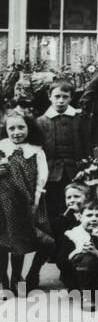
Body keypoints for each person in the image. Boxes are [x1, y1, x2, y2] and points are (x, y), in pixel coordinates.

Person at [0, 109, 50, 292]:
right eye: (11, 128)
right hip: (2, 203)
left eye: (21, 127)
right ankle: (4, 280)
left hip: (24, 203)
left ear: (29, 128)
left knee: (19, 241)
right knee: (2, 243)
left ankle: (16, 278)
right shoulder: (1, 148)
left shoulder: (36, 151)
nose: (16, 132)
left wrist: (35, 201)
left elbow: (41, 178)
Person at [36, 78, 86, 223]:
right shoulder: (41, 121)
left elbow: (85, 142)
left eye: (65, 97)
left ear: (71, 97)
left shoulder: (79, 118)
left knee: (75, 204)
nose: (61, 101)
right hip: (51, 172)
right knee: (53, 207)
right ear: (50, 96)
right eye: (57, 96)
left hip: (75, 171)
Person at [55, 199, 98, 305]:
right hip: (76, 275)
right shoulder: (72, 234)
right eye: (89, 215)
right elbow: (61, 262)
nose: (93, 219)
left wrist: (97, 253)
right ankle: (85, 295)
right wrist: (77, 252)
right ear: (80, 217)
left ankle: (91, 291)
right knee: (86, 258)